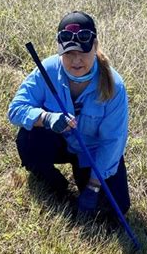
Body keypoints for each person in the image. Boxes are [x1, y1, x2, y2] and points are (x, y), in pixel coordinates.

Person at [8, 11, 130, 217]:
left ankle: (86, 184)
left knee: (116, 210)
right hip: (59, 143)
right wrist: (46, 118)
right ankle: (56, 186)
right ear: (59, 51)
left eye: (83, 51)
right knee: (28, 139)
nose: (76, 60)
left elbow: (112, 141)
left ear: (95, 46)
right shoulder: (46, 69)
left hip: (92, 153)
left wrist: (93, 186)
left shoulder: (115, 86)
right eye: (69, 53)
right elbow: (16, 109)